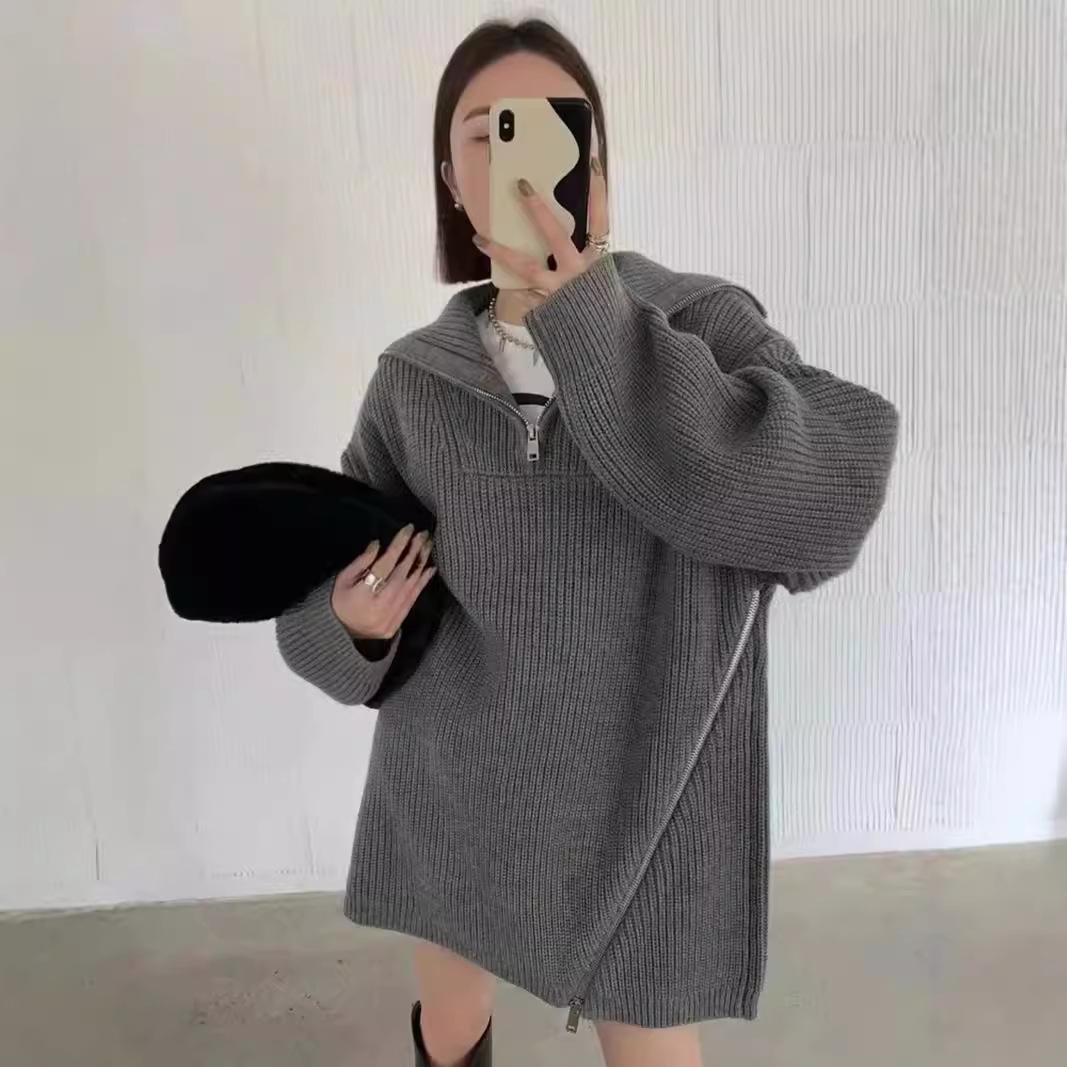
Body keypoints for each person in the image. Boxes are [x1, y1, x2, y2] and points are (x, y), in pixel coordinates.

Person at [276, 17, 899, 1067]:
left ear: (596, 167)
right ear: (451, 180)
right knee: (449, 1026)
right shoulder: (414, 377)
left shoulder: (698, 325)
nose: (516, 154)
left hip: (642, 803)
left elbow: (828, 502)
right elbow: (323, 585)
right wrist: (350, 621)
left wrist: (590, 324)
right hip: (452, 787)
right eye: (485, 131)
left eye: (553, 127)